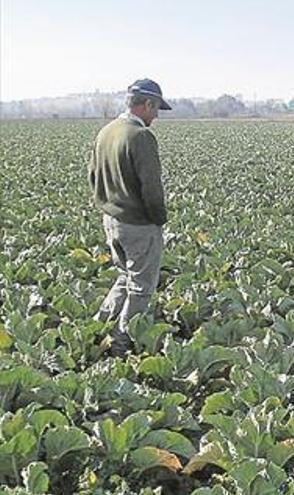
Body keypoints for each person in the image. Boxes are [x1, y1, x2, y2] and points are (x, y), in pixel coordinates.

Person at [89, 78, 172, 356]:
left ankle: (99, 325)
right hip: (138, 224)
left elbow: (93, 176)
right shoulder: (140, 137)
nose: (157, 115)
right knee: (141, 287)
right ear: (146, 104)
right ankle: (122, 342)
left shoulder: (107, 131)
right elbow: (152, 188)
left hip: (111, 220)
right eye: (156, 108)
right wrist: (159, 219)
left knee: (125, 276)